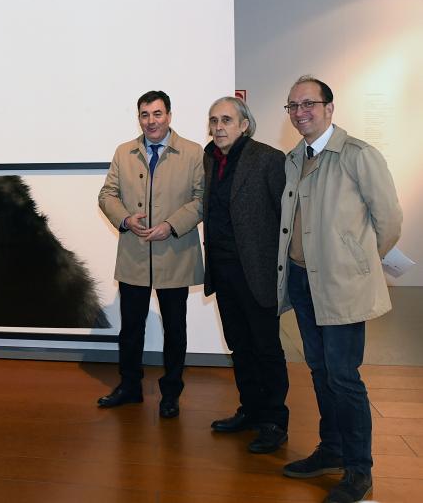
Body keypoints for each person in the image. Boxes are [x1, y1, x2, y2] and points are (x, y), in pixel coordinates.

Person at [277, 76, 402, 503]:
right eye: (292, 106)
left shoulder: (357, 155)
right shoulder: (295, 157)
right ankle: (330, 450)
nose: (300, 112)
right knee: (319, 370)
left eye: (308, 103)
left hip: (341, 285)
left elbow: (389, 222)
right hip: (301, 281)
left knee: (345, 377)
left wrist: (355, 263)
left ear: (330, 108)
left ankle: (358, 470)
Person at [97, 90, 204, 418]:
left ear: (169, 116)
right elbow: (107, 194)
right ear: (139, 118)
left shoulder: (193, 152)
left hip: (175, 254)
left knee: (175, 329)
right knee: (130, 328)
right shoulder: (123, 152)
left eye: (157, 114)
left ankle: (171, 393)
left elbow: (202, 199)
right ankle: (129, 386)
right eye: (145, 115)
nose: (151, 121)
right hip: (135, 254)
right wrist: (126, 219)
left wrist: (171, 225)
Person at [202, 96, 289, 453]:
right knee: (239, 345)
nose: (218, 127)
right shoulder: (209, 158)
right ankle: (250, 410)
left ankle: (274, 421)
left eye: (226, 120)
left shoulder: (269, 159)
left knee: (266, 348)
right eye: (213, 120)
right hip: (222, 271)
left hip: (257, 271)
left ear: (244, 125)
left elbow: (285, 218)